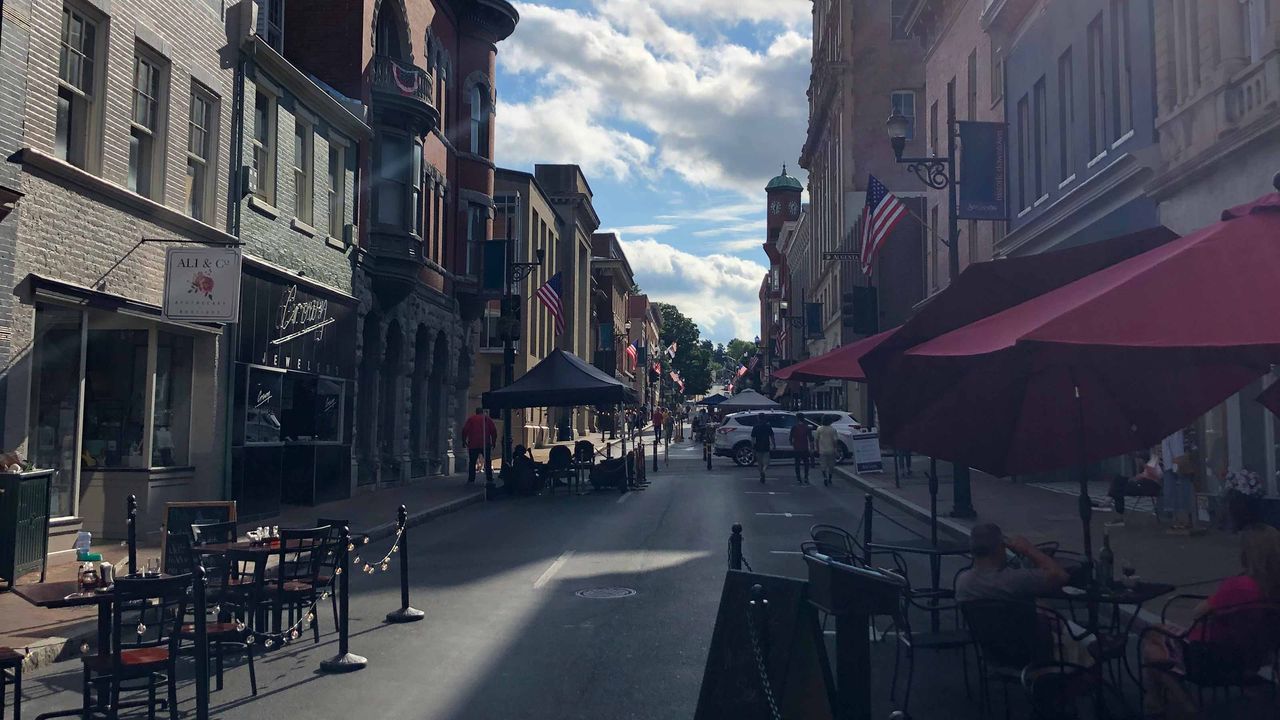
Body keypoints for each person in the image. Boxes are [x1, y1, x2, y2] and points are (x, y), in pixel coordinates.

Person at [1141, 524, 1280, 719]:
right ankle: (1156, 701)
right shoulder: (1274, 589)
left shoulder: (1238, 586)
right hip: (1255, 657)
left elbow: (1197, 613)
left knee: (1151, 646)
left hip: (1211, 658)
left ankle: (1180, 705)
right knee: (1156, 632)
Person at [955, 523, 1070, 602]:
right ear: (1000, 548)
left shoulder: (963, 581)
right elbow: (1061, 576)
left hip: (982, 636)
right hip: (1025, 635)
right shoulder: (1017, 579)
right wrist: (1029, 549)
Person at [460, 408, 497, 484]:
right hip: (485, 443)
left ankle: (471, 479)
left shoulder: (471, 419)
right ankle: (489, 478)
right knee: (487, 461)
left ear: (476, 412)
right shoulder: (487, 419)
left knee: (472, 462)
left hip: (473, 444)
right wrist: (493, 442)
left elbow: (465, 430)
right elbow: (493, 431)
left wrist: (464, 441)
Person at [814, 417, 840, 486]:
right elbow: (835, 441)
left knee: (823, 465)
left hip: (822, 450)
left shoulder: (819, 429)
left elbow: (816, 439)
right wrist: (836, 449)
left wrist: (817, 448)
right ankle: (830, 478)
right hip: (831, 450)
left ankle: (825, 477)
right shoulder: (833, 430)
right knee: (831, 465)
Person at [750, 418, 775, 484]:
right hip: (766, 445)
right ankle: (764, 470)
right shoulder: (768, 427)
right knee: (766, 462)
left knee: (759, 462)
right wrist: (774, 444)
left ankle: (761, 473)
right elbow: (772, 436)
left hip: (758, 446)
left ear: (758, 419)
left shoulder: (755, 427)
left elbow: (753, 438)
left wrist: (752, 446)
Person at [789, 419, 814, 485]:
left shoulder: (794, 427)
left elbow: (791, 437)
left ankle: (798, 478)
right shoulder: (807, 427)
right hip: (805, 447)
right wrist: (811, 448)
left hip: (797, 447)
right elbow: (810, 438)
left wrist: (792, 443)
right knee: (806, 463)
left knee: (797, 463)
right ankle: (806, 477)